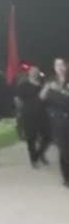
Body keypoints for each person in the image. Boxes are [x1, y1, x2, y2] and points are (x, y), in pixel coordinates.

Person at [40, 57, 69, 187]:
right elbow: (41, 99)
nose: (60, 67)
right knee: (64, 149)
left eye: (62, 65)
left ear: (66, 66)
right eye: (57, 65)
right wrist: (47, 88)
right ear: (54, 68)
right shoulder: (50, 83)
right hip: (58, 121)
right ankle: (66, 177)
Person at [16, 63, 49, 167]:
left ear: (39, 73)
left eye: (37, 71)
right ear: (29, 72)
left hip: (43, 115)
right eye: (33, 70)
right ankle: (33, 160)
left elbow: (47, 99)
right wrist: (20, 112)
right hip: (28, 115)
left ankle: (39, 154)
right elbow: (18, 99)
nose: (35, 72)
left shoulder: (42, 85)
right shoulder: (23, 85)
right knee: (31, 139)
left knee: (48, 136)